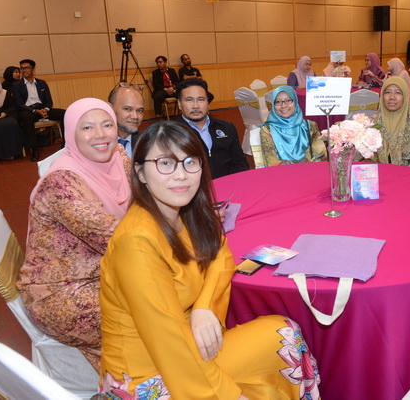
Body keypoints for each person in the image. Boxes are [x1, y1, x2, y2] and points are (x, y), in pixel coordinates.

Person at [99, 121, 321, 399]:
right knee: (281, 347)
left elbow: (220, 254)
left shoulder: (183, 212)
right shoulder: (136, 242)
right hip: (149, 374)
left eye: (190, 162)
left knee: (283, 332)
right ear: (140, 172)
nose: (181, 175)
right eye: (165, 163)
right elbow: (169, 342)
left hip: (188, 343)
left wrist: (204, 307)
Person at [17, 98, 131, 370]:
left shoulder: (118, 157)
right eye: (87, 127)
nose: (100, 134)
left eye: (107, 125)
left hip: (105, 270)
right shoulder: (62, 183)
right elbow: (118, 240)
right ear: (70, 134)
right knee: (158, 309)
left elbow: (148, 198)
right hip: (63, 292)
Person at [175, 78, 248, 178]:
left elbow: (240, 163)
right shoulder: (170, 134)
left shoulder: (227, 128)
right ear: (179, 104)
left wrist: (230, 183)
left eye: (201, 100)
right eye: (189, 100)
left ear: (208, 103)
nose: (195, 106)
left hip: (227, 184)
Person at [365, 76, 410, 169]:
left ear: (405, 96)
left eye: (398, 93)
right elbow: (364, 158)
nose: (392, 97)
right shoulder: (373, 122)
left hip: (406, 174)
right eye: (387, 92)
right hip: (377, 173)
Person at [13, 59, 66, 162]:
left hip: (42, 108)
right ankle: (34, 149)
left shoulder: (42, 83)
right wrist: (35, 111)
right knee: (26, 117)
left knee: (64, 113)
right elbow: (19, 104)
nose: (24, 70)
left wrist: (45, 110)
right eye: (22, 68)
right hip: (28, 110)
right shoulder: (17, 85)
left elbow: (49, 101)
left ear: (33, 69)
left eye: (26, 68)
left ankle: (65, 144)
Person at [260, 86, 327, 166]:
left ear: (295, 102)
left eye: (288, 100)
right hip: (281, 173)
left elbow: (320, 156)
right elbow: (272, 163)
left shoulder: (310, 126)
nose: (283, 105)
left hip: (311, 171)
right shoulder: (267, 130)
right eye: (278, 102)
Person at [108, 82, 145, 158]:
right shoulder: (97, 143)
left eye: (139, 111)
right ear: (110, 108)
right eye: (128, 109)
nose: (135, 116)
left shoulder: (147, 144)